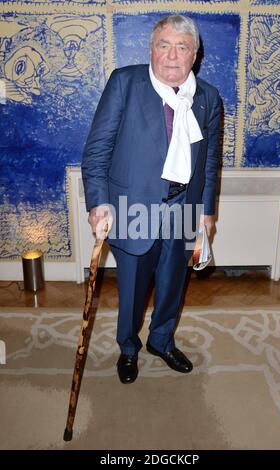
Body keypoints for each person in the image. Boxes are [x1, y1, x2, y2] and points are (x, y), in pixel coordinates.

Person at [82, 15, 222, 384]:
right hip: (132, 208)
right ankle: (129, 348)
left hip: (183, 207)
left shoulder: (207, 98)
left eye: (182, 47)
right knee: (131, 289)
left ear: (195, 54)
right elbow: (97, 151)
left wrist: (206, 211)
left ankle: (161, 340)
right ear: (151, 49)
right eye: (165, 45)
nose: (172, 56)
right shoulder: (125, 83)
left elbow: (209, 163)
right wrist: (98, 203)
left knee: (173, 285)